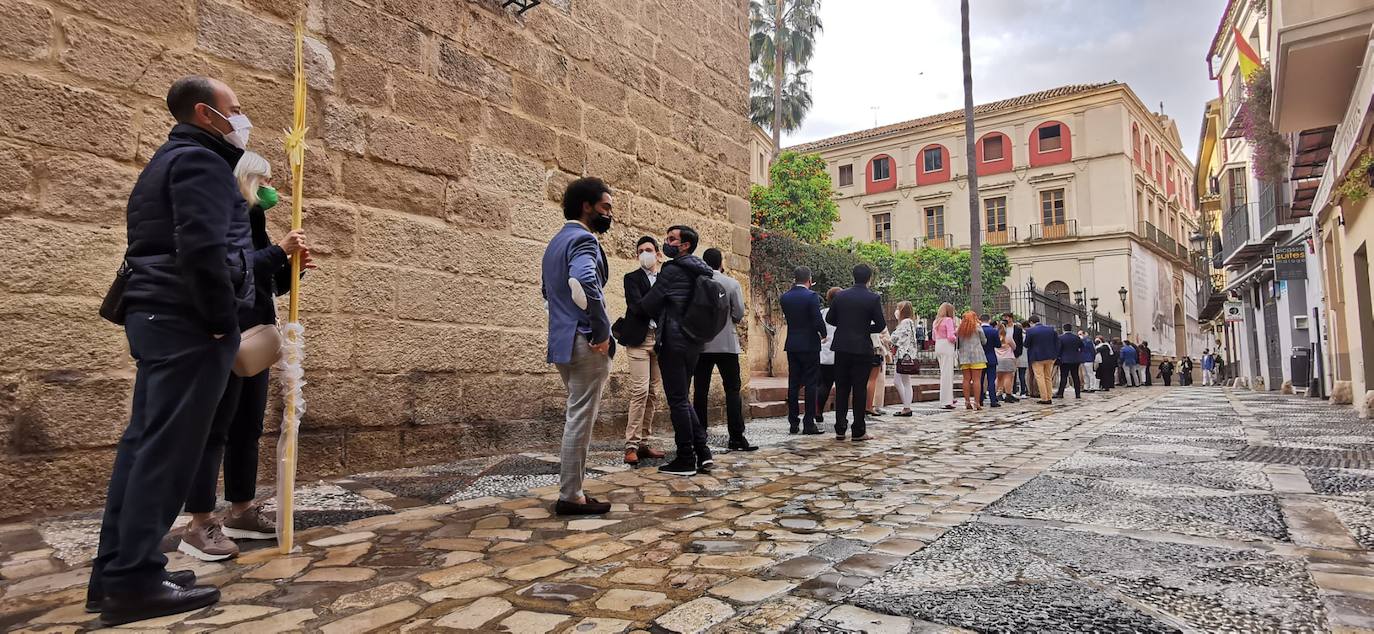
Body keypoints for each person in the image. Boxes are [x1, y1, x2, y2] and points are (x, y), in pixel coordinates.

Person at [89, 76, 254, 626]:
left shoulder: (168, 159)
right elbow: (205, 250)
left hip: (160, 316)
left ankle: (118, 572)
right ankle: (134, 581)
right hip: (187, 323)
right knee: (165, 453)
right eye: (235, 109)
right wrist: (218, 321)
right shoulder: (203, 164)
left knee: (143, 447)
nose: (242, 118)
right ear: (206, 114)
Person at [178, 151, 312, 562]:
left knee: (246, 428)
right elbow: (225, 267)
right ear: (244, 181)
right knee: (213, 429)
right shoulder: (222, 214)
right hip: (221, 333)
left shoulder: (254, 219)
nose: (271, 190)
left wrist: (293, 268)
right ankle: (198, 523)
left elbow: (266, 282)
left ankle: (240, 509)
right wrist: (277, 252)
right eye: (263, 181)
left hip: (254, 335)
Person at [543, 177, 615, 514]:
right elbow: (584, 281)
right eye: (606, 207)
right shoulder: (584, 240)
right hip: (585, 341)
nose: (610, 214)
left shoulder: (555, 243)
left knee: (576, 414)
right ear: (587, 206)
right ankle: (571, 496)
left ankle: (572, 491)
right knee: (580, 418)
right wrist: (600, 330)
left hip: (561, 341)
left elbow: (548, 292)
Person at [639, 225, 717, 475]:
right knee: (683, 398)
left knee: (677, 401)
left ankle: (685, 458)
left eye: (672, 239)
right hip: (693, 342)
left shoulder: (672, 270)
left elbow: (649, 303)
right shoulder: (700, 270)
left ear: (684, 245)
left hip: (673, 341)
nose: (666, 242)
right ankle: (703, 453)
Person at [693, 248, 755, 451]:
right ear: (721, 262)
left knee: (700, 390)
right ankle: (736, 437)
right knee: (732, 390)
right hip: (727, 343)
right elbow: (738, 312)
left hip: (701, 344)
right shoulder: (731, 283)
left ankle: (699, 434)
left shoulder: (696, 283)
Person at [618, 236, 665, 466]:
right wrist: (659, 305)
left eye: (648, 249)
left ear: (657, 253)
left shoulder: (665, 277)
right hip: (638, 339)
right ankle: (631, 445)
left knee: (654, 392)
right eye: (640, 251)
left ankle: (644, 442)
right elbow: (636, 307)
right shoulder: (631, 278)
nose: (644, 253)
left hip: (659, 340)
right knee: (640, 391)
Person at [826, 264, 886, 440]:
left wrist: (846, 326)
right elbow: (881, 325)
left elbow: (830, 318)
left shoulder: (841, 296)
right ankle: (858, 429)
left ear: (853, 277)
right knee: (859, 388)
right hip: (861, 348)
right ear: (869, 279)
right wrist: (863, 328)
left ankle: (840, 427)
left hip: (842, 346)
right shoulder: (873, 298)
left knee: (842, 387)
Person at [779, 266, 827, 435]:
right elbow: (817, 319)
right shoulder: (811, 296)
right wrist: (823, 333)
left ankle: (793, 422)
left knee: (793, 383)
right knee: (811, 383)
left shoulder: (785, 297)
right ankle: (808, 423)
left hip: (792, 343)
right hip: (809, 344)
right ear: (809, 280)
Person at [891, 301, 920, 416]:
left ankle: (907, 407)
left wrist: (889, 338)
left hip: (903, 356)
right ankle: (906, 407)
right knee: (904, 382)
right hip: (907, 356)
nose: (896, 311)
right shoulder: (909, 322)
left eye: (898, 308)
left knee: (899, 382)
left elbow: (895, 337)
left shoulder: (905, 322)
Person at [816, 288, 840, 424]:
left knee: (824, 385)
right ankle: (840, 415)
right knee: (842, 387)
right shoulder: (844, 314)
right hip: (840, 354)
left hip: (824, 354)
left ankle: (818, 411)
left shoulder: (822, 313)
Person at [955, 311, 988, 410]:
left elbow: (957, 343)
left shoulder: (960, 329)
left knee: (966, 379)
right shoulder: (977, 327)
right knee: (977, 380)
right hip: (977, 356)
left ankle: (967, 401)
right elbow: (984, 341)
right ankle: (977, 403)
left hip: (964, 356)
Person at [1024, 316, 1059, 405]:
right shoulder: (1051, 330)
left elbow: (1026, 344)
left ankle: (1044, 398)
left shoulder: (1030, 331)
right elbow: (1057, 343)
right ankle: (1049, 397)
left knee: (1040, 377)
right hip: (1050, 357)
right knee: (1048, 377)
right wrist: (1055, 355)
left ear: (1031, 322)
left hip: (1037, 357)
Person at [932, 303, 959, 410]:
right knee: (947, 373)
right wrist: (957, 332)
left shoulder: (936, 321)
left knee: (944, 372)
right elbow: (951, 337)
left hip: (938, 345)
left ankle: (948, 397)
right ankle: (946, 400)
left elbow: (934, 337)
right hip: (947, 345)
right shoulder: (948, 320)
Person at [866, 325, 893, 416]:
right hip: (875, 352)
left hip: (875, 351)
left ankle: (876, 404)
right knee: (872, 380)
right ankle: (869, 406)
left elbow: (888, 338)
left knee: (878, 381)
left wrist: (883, 338)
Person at [1055, 323, 1084, 399]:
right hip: (1075, 360)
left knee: (1064, 377)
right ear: (1071, 329)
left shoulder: (1061, 338)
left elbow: (1058, 349)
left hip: (1064, 360)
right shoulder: (1076, 337)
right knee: (1075, 376)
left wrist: (1058, 357)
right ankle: (1077, 394)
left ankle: (1060, 393)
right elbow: (1082, 347)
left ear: (1064, 329)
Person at [1002, 313, 1027, 397]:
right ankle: (1010, 391)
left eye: (1007, 317)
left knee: (1015, 373)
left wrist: (1018, 353)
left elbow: (1019, 342)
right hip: (1004, 354)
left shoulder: (1017, 329)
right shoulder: (1002, 329)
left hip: (1015, 353)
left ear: (1011, 318)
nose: (1005, 319)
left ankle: (1021, 391)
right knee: (1008, 373)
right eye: (1004, 318)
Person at [979, 315, 1001, 408]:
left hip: (980, 358)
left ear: (980, 320)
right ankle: (993, 400)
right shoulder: (994, 331)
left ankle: (980, 400)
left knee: (980, 379)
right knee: (991, 380)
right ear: (989, 320)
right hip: (991, 357)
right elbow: (998, 344)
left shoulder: (978, 330)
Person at [994, 322, 1018, 403]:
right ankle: (1008, 394)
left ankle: (998, 393)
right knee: (1008, 377)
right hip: (1008, 358)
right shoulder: (1008, 337)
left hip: (998, 358)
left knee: (999, 377)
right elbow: (1014, 347)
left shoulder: (996, 337)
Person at [1016, 320, 1032, 399]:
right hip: (1024, 357)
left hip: (1016, 356)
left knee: (1014, 375)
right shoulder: (1026, 335)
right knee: (1022, 375)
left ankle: (1014, 391)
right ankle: (1023, 391)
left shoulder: (1015, 336)